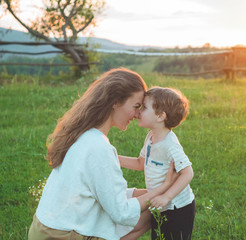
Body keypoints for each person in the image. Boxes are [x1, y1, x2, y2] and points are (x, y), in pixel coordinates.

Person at [28, 68, 179, 240]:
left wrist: (151, 193)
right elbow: (121, 213)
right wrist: (163, 188)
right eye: (136, 106)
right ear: (115, 102)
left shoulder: (83, 134)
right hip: (60, 235)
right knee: (149, 213)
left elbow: (103, 192)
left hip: (44, 228)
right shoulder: (99, 148)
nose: (138, 115)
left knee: (149, 201)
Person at [119, 87, 196, 240]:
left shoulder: (170, 144)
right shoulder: (151, 137)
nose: (139, 111)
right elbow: (140, 163)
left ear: (160, 116)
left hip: (177, 208)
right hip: (159, 204)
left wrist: (166, 197)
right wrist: (113, 157)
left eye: (144, 107)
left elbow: (188, 173)